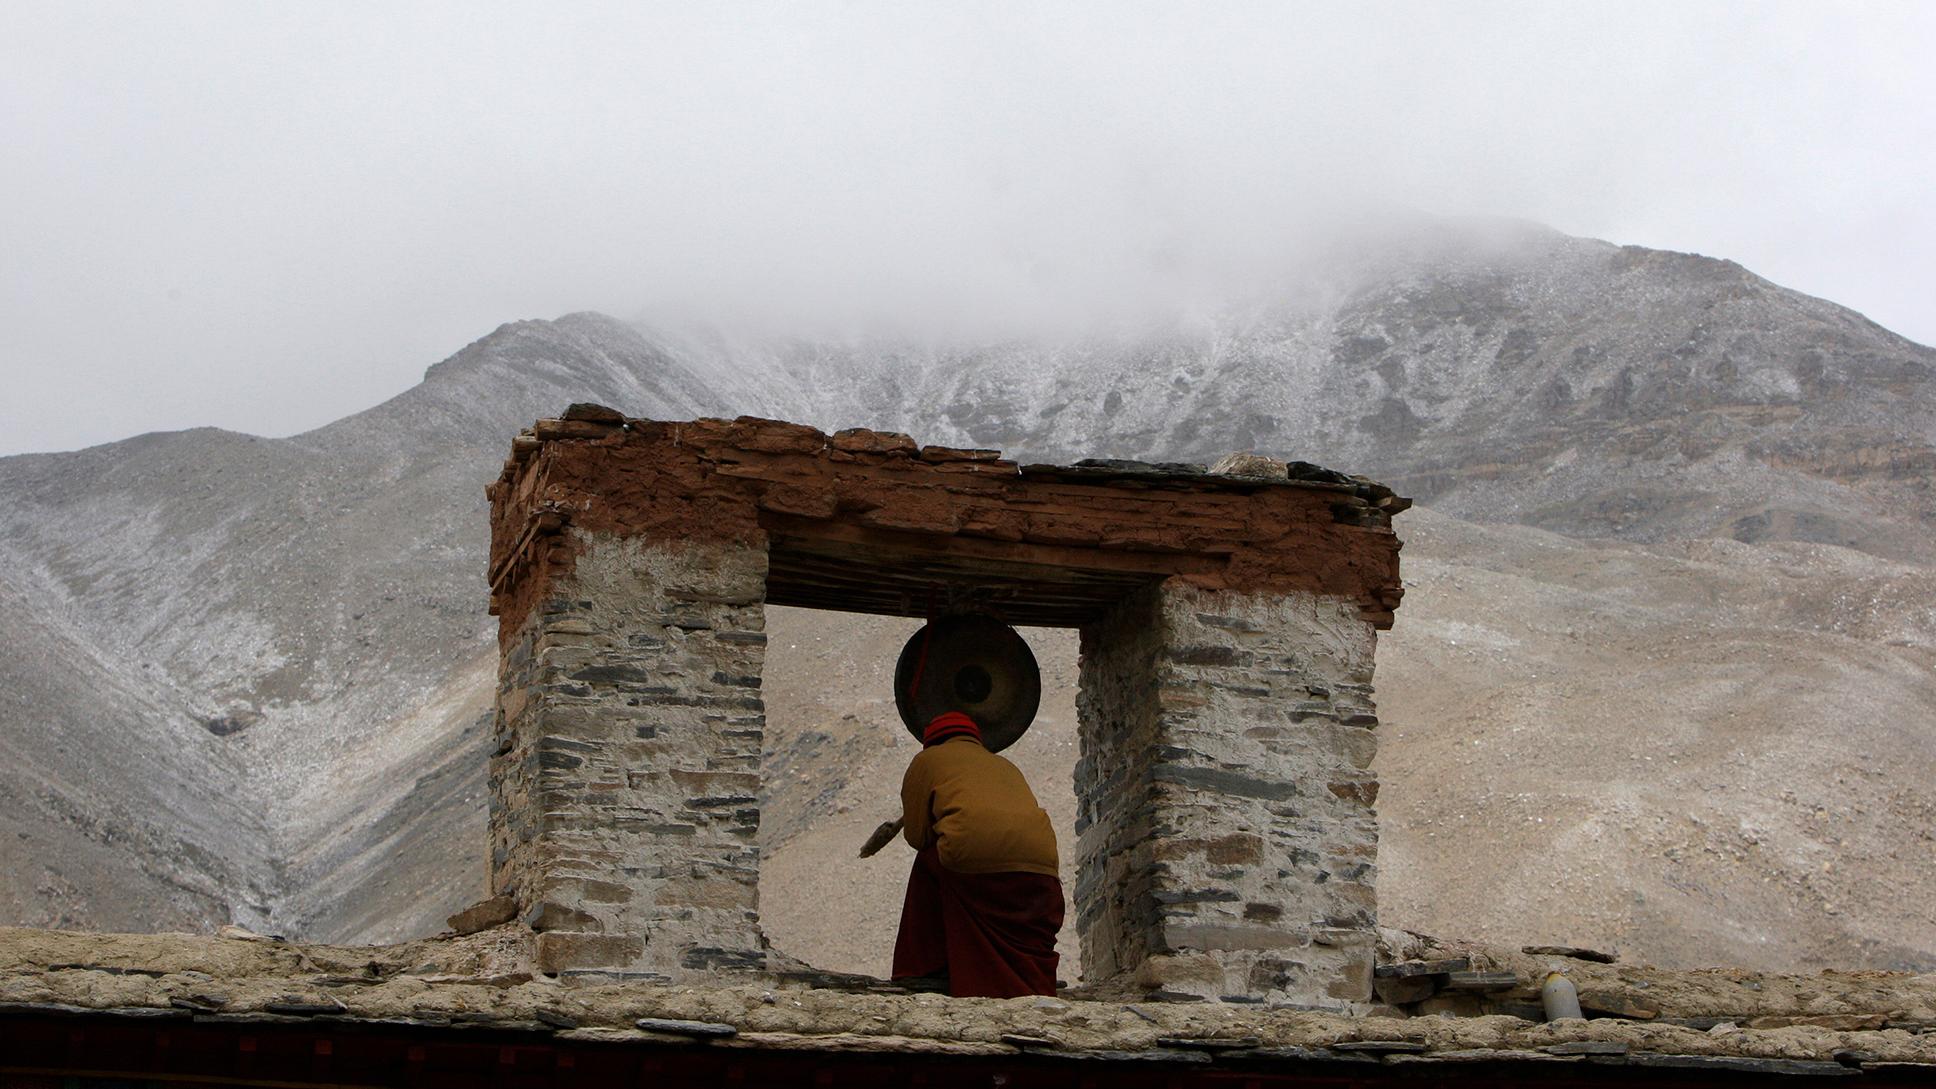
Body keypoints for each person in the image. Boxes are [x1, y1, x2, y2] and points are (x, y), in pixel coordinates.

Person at [890, 710, 1064, 998]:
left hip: (973, 869)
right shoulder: (1005, 765)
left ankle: (923, 968)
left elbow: (917, 836)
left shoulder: (927, 761)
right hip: (1041, 874)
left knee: (928, 861)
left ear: (930, 741)